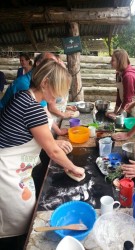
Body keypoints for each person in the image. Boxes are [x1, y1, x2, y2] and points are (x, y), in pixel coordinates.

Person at [0, 59, 85, 250]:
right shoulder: (32, 107)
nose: (59, 96)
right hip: (6, 174)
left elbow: (23, 133)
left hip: (15, 169)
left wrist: (53, 140)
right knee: (15, 225)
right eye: (58, 90)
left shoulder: (24, 97)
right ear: (45, 83)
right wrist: (72, 167)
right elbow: (52, 151)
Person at [106, 49, 135, 119]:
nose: (110, 62)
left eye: (113, 60)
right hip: (124, 107)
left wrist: (118, 114)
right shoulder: (118, 74)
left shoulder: (128, 76)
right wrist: (115, 112)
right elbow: (119, 96)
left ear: (120, 61)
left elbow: (128, 99)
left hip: (131, 110)